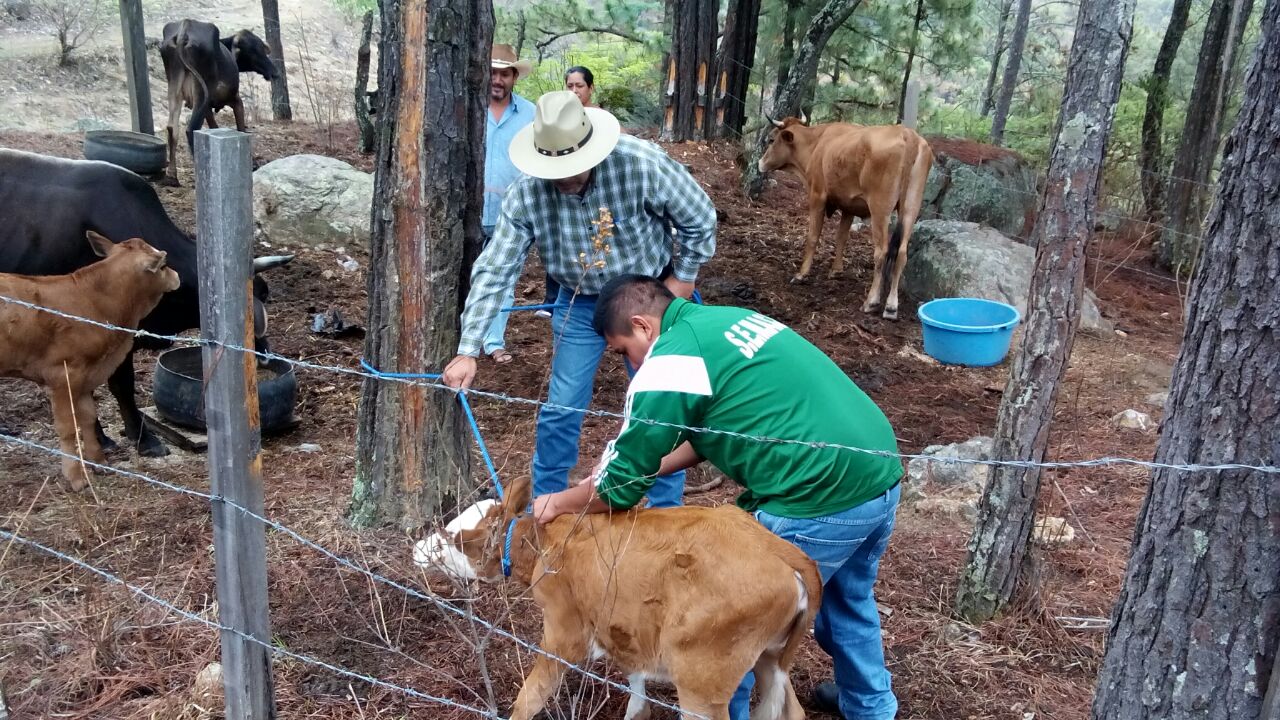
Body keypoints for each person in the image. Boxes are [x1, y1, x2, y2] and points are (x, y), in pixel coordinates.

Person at [532, 274, 903, 720]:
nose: (628, 363)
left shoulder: (671, 360)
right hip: (877, 472)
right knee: (848, 600)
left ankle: (733, 710)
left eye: (622, 350)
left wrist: (559, 502)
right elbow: (706, 435)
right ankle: (870, 706)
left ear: (643, 326)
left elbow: (620, 487)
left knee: (730, 620)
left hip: (816, 494)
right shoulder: (726, 322)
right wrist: (644, 465)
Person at [442, 91, 718, 508]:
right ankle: (548, 505)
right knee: (562, 406)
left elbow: (700, 218)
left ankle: (665, 513)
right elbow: (495, 268)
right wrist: (468, 349)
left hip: (653, 296)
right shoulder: (527, 194)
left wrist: (683, 277)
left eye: (572, 167)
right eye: (554, 168)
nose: (565, 177)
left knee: (662, 404)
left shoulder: (641, 164)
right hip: (579, 302)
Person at [479, 44, 536, 364]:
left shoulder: (531, 114)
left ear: (514, 77)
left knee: (504, 279)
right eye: (493, 72)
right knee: (467, 275)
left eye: (504, 73)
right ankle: (464, 338)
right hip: (468, 212)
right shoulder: (468, 108)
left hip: (512, 213)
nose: (497, 79)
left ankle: (493, 341)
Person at [532, 65, 597, 318]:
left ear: (590, 88)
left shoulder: (599, 118)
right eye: (569, 85)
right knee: (559, 241)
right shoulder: (552, 125)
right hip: (564, 209)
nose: (574, 90)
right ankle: (553, 300)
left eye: (579, 85)